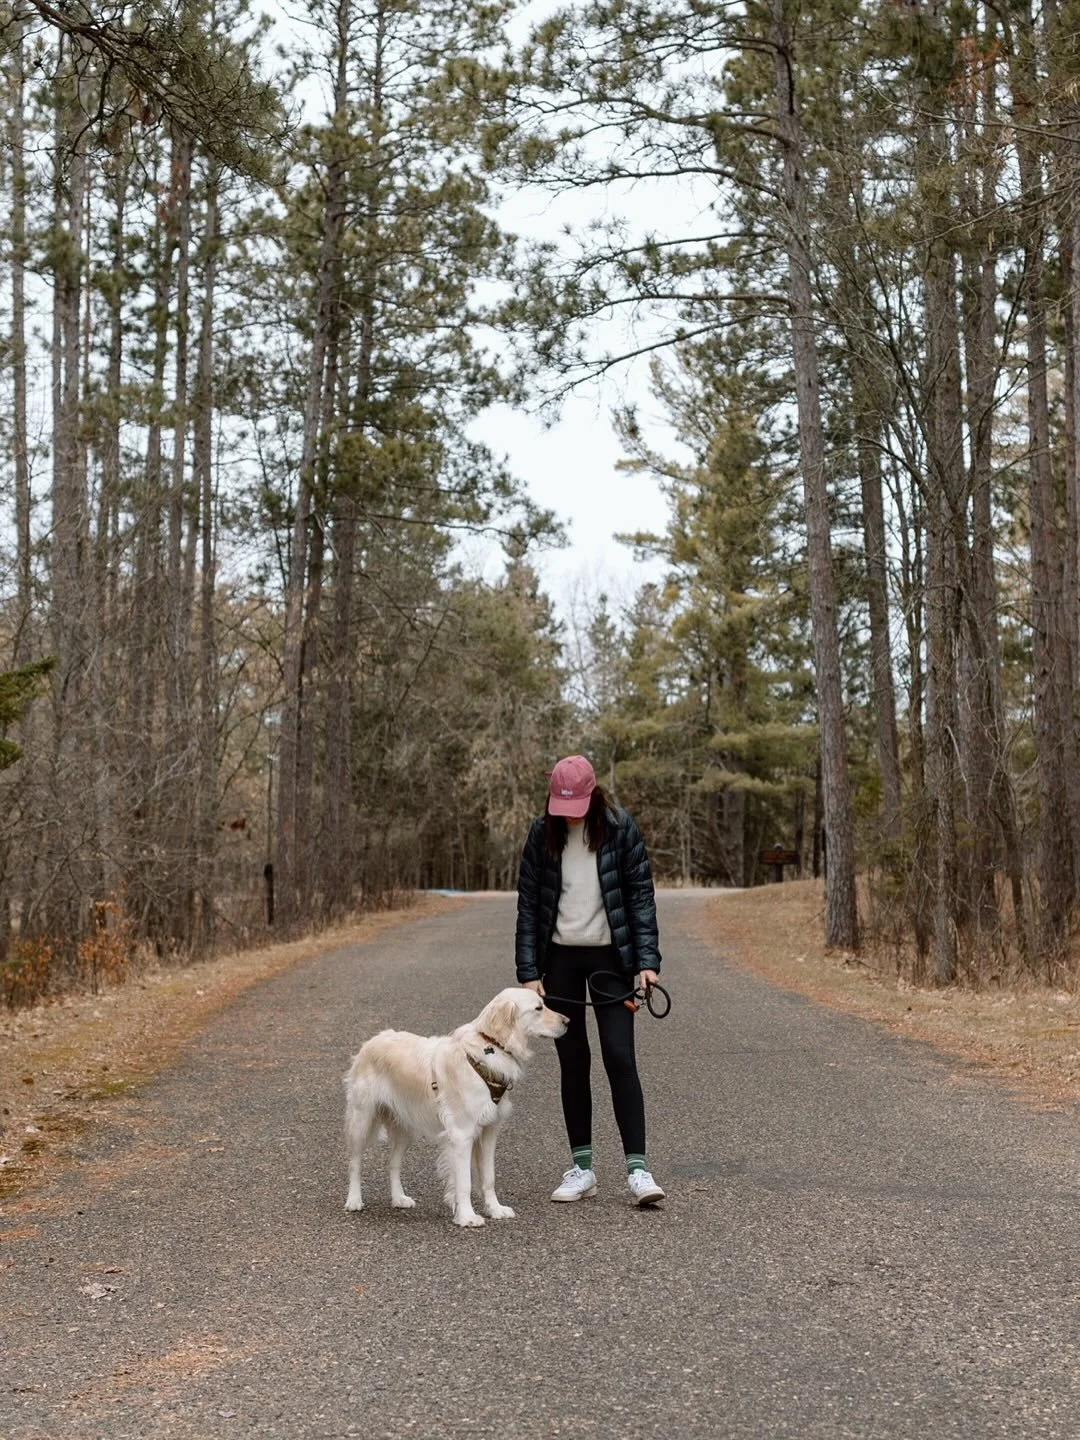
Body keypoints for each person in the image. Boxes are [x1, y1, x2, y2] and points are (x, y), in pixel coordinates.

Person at [515, 753, 666, 1207]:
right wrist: (527, 972)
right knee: (573, 1061)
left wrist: (646, 959)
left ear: (592, 794)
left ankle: (638, 1170)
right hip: (558, 959)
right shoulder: (543, 834)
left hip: (610, 957)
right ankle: (582, 1168)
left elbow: (640, 895)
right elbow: (528, 903)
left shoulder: (621, 829)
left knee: (619, 1057)